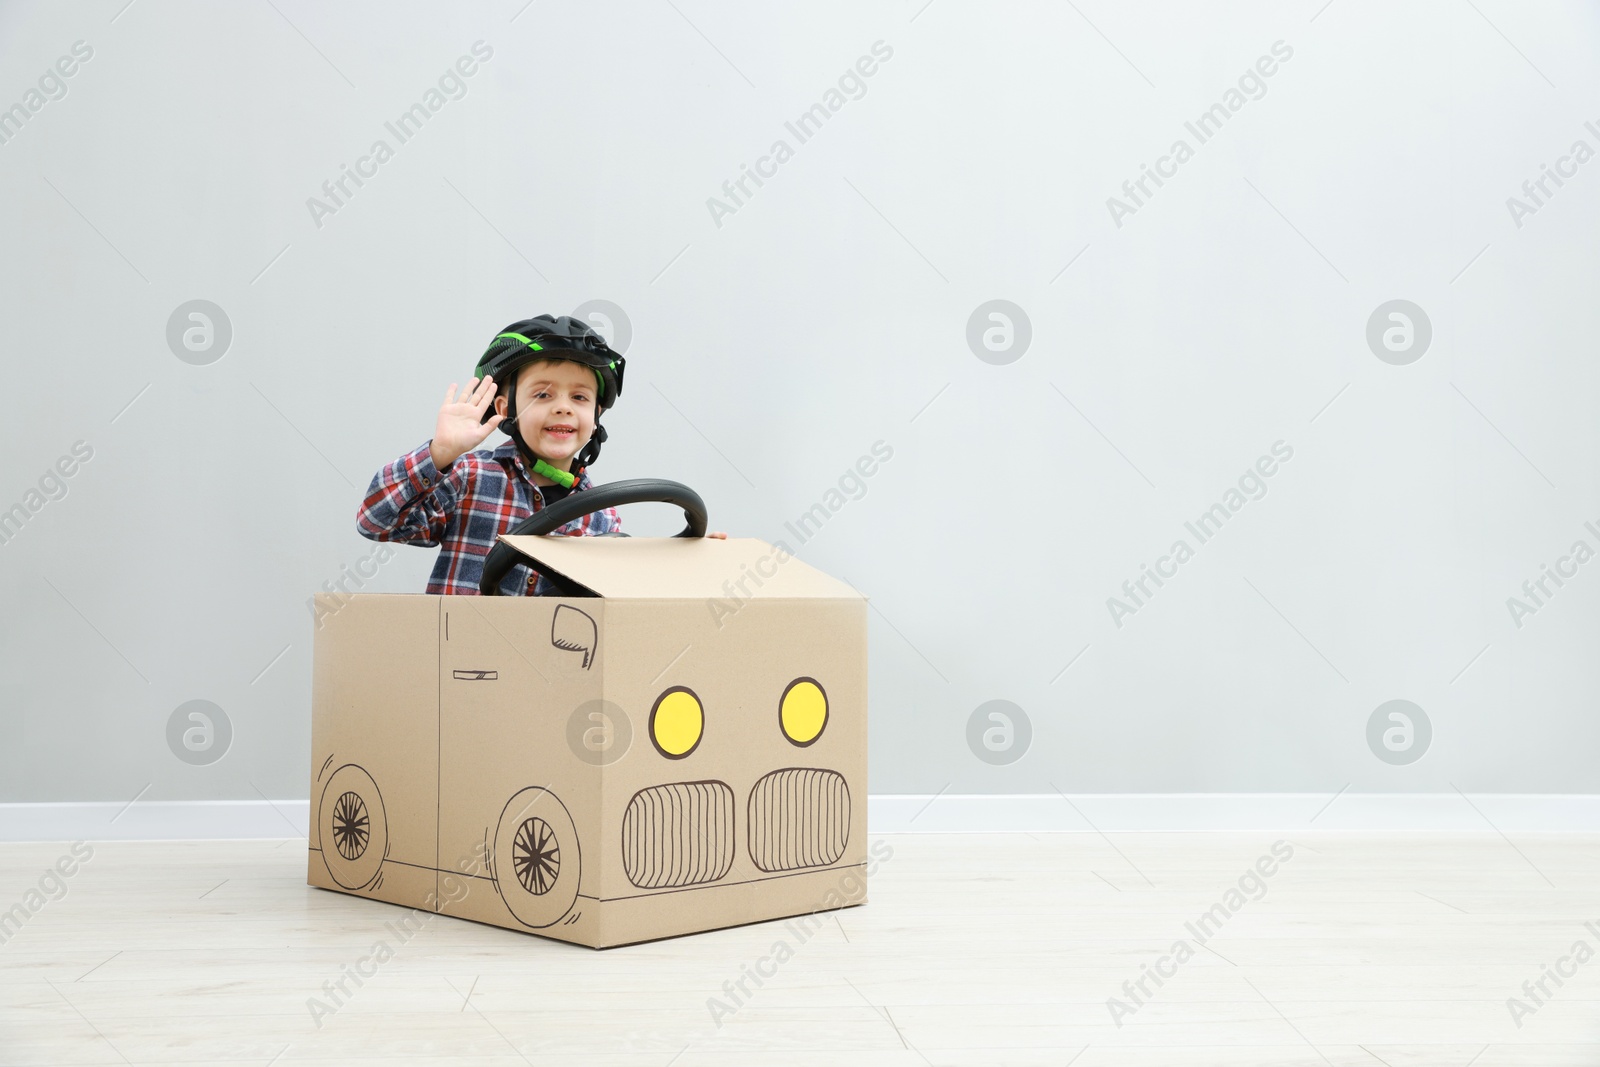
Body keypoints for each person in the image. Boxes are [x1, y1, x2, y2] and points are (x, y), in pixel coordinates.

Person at [356, 314, 722, 595]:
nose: (563, 408)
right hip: (459, 672)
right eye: (542, 394)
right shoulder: (470, 477)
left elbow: (616, 600)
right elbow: (376, 521)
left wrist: (687, 560)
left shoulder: (601, 518)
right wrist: (440, 453)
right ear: (504, 406)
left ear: (596, 416)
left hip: (545, 681)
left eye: (579, 397)